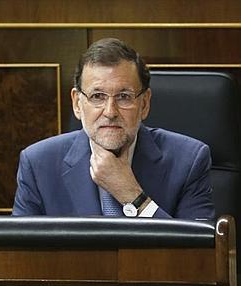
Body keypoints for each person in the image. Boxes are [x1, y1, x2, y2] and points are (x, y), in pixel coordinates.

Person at [13, 38, 215, 219]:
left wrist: (132, 196)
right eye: (97, 96)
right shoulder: (38, 164)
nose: (110, 111)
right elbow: (22, 255)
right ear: (77, 104)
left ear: (144, 104)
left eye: (124, 97)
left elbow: (197, 256)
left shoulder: (188, 160)